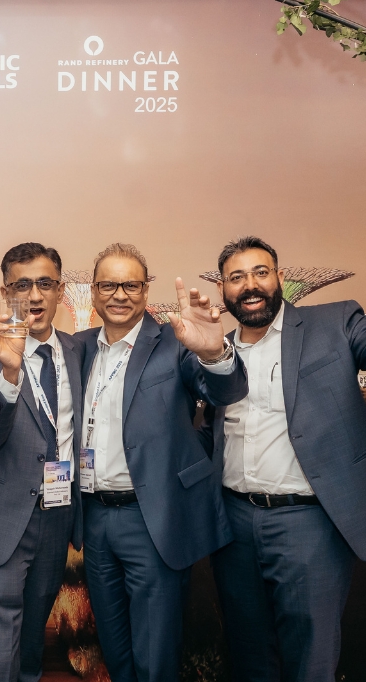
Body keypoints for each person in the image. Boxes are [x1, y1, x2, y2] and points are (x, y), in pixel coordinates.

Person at [206, 236, 366, 682]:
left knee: (310, 662)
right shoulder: (215, 350)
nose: (250, 285)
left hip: (307, 524)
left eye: (261, 272)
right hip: (233, 525)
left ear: (279, 278)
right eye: (236, 277)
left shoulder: (334, 322)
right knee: (248, 657)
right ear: (223, 289)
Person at [74, 243, 248, 682]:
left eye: (131, 285)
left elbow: (224, 391)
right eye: (108, 285)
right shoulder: (79, 348)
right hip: (94, 518)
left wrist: (214, 353)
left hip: (152, 518)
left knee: (155, 658)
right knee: (115, 652)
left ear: (146, 290)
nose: (119, 295)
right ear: (93, 291)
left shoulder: (176, 341)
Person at [0, 243, 84, 682]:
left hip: (57, 514)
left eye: (45, 283)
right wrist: (10, 374)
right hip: (2, 517)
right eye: (22, 285)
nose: (34, 295)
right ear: (5, 292)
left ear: (60, 291)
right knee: (0, 647)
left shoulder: (79, 350)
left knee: (33, 639)